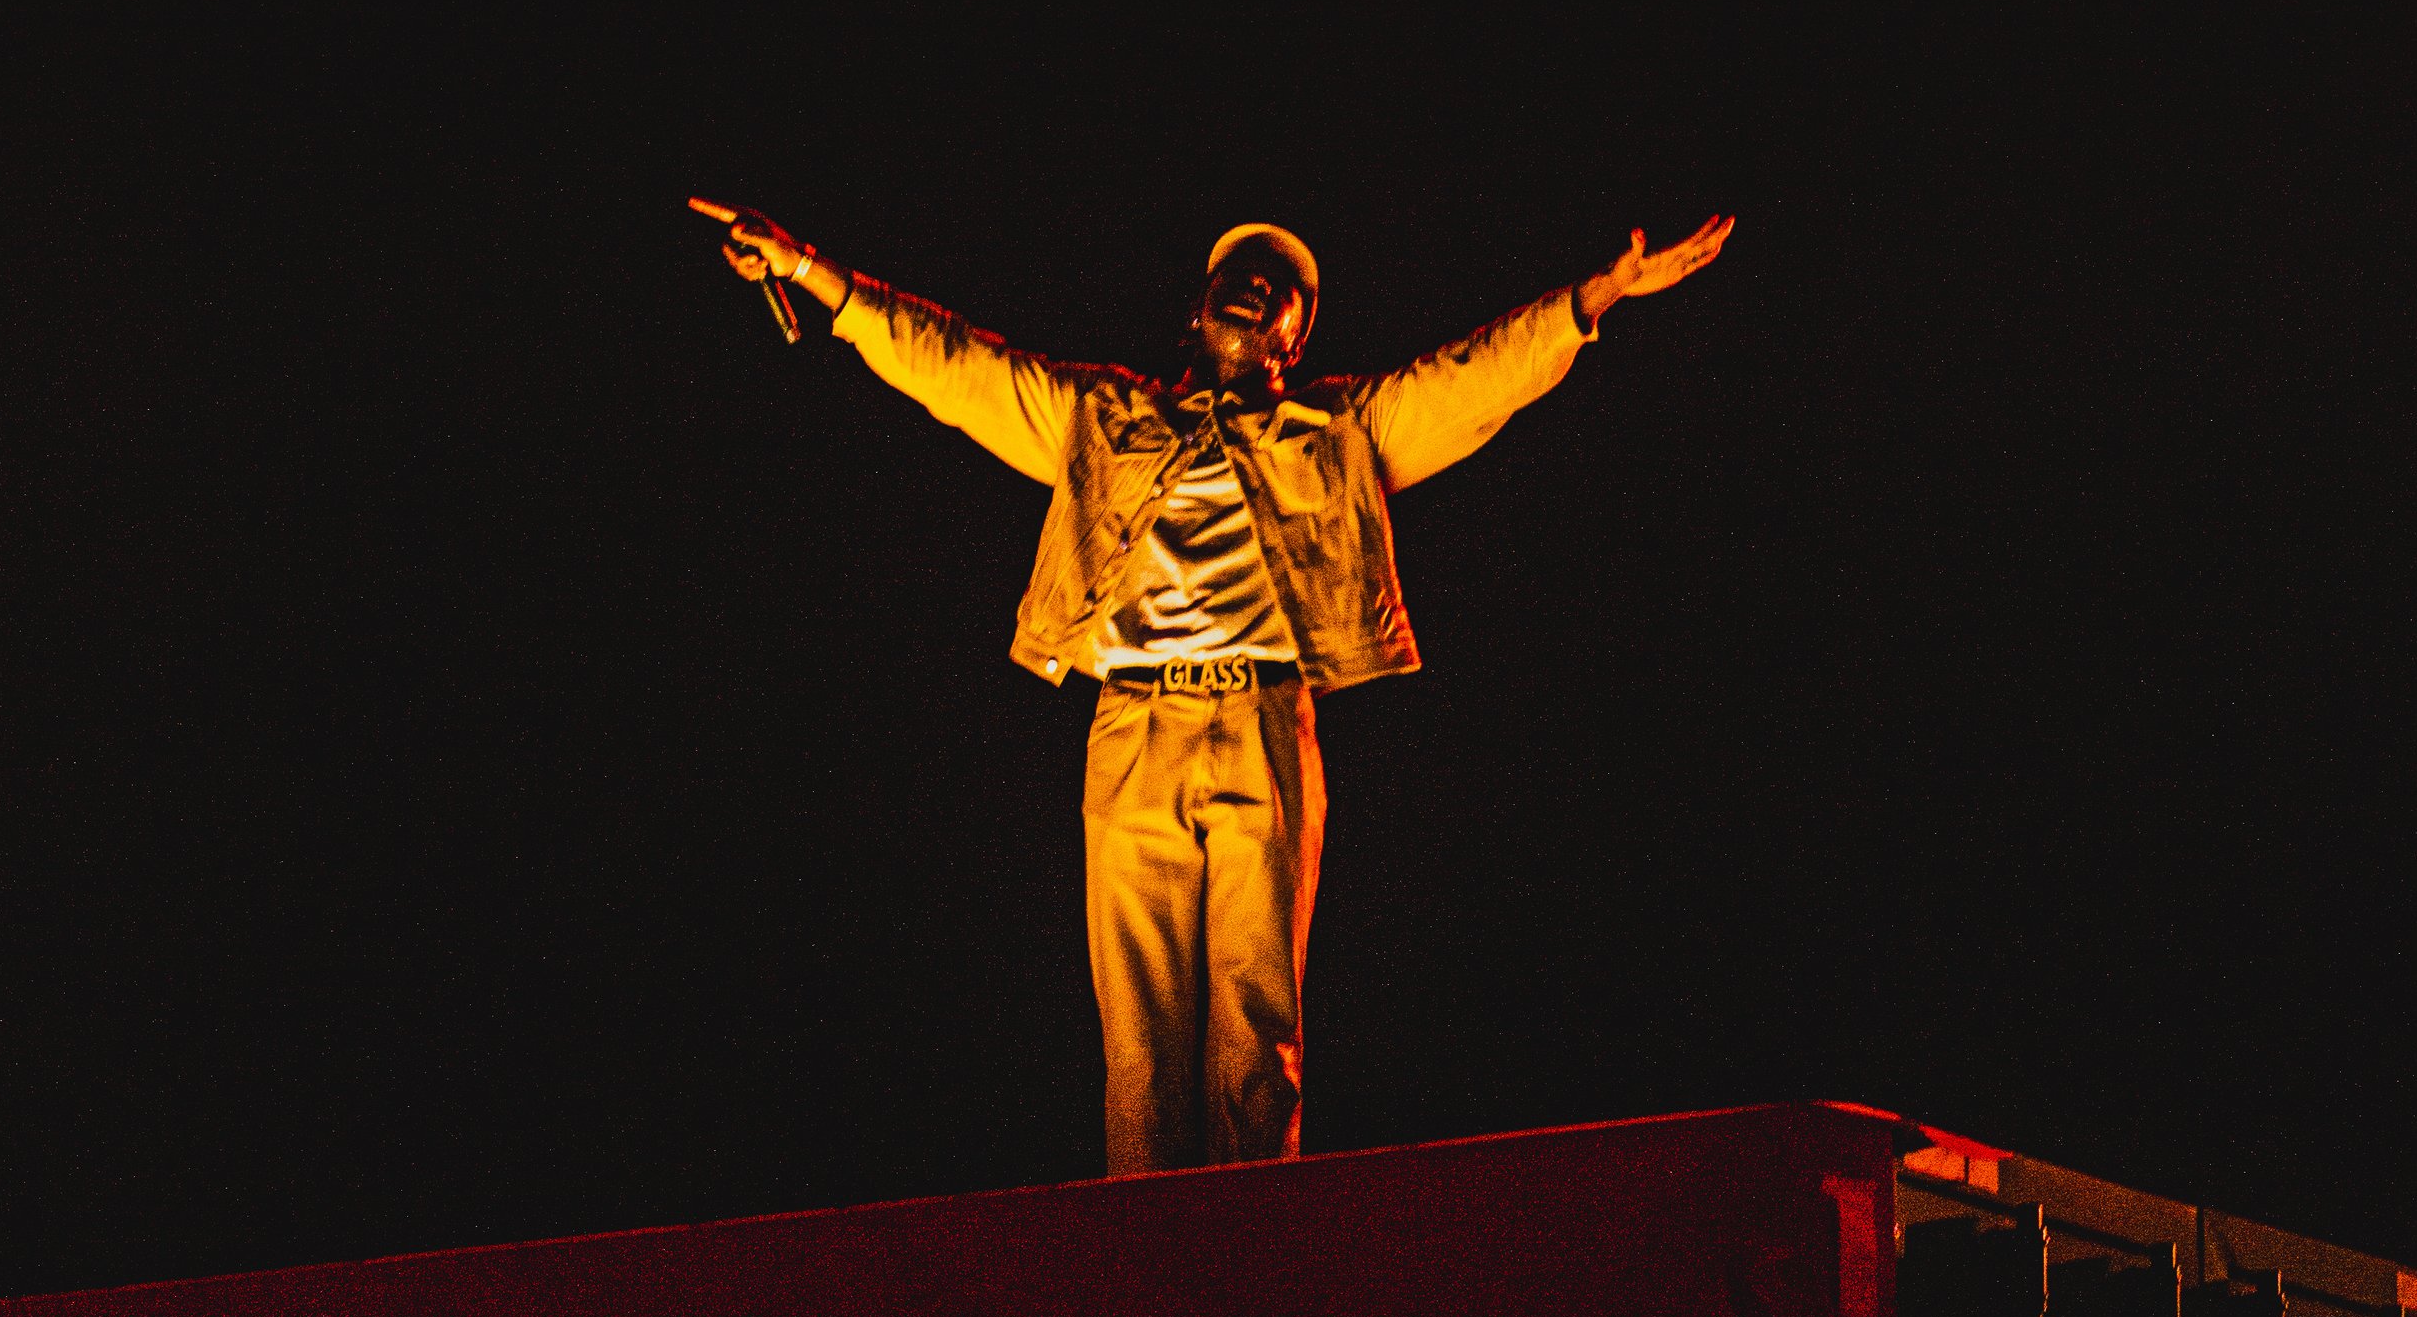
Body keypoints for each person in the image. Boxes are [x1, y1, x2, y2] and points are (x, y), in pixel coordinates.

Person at [701, 205, 1733, 1176]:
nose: (1255, 290)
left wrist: (1588, 299)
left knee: (1255, 1027)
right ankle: (1142, 1269)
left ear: (1296, 333)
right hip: (1134, 722)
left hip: (1262, 718)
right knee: (1139, 1039)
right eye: (1237, 278)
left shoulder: (1339, 429)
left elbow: (1467, 378)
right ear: (1195, 311)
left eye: (1280, 288)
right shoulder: (1098, 415)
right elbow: (955, 362)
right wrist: (810, 272)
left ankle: (1251, 1255)